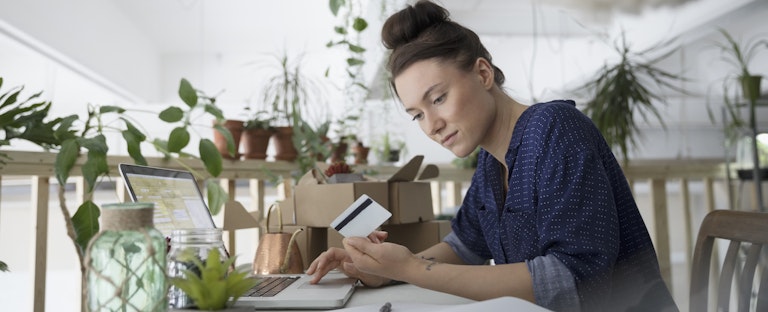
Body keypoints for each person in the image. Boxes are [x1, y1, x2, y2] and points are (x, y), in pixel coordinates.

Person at [306, 1, 678, 311]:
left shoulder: (555, 128)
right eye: (417, 114)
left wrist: (413, 269)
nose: (432, 125)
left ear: (482, 73)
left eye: (438, 99)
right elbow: (465, 246)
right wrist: (385, 267)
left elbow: (575, 280)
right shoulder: (489, 161)